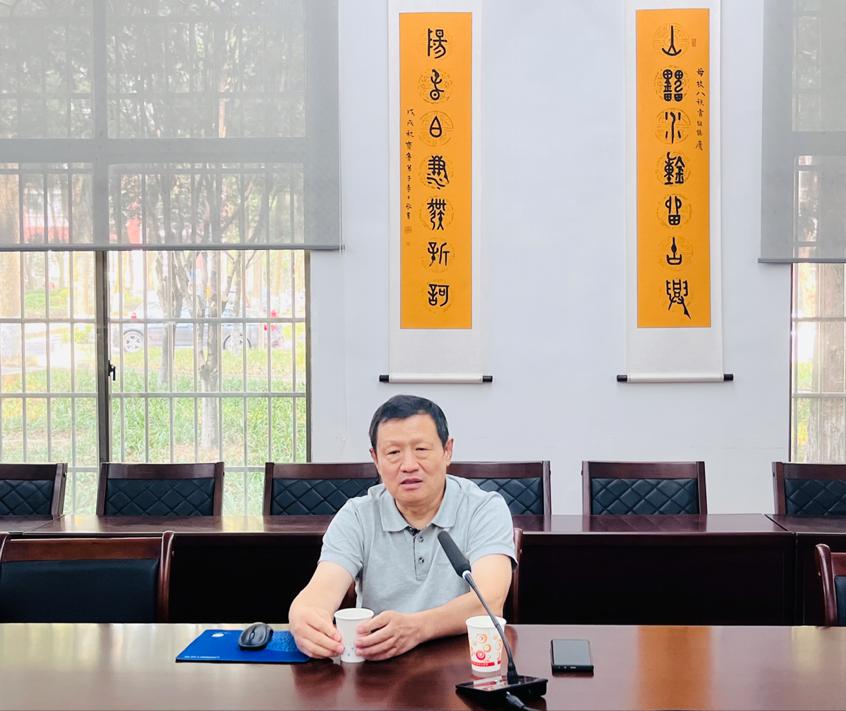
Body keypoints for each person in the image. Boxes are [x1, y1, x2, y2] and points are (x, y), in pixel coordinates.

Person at [288, 394, 515, 661]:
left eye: (421, 449)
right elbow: (320, 592)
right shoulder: (357, 515)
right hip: (379, 665)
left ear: (447, 451)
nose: (408, 466)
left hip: (464, 665)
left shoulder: (483, 508)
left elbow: (489, 600)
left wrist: (417, 628)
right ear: (376, 459)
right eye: (393, 453)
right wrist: (304, 617)